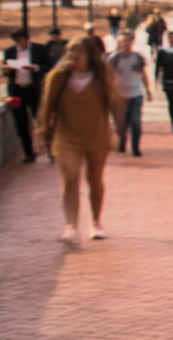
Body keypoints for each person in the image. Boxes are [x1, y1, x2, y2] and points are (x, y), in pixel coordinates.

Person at [36, 34, 120, 244]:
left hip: (97, 136)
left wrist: (117, 132)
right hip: (66, 137)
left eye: (79, 52)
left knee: (94, 179)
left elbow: (115, 103)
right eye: (71, 51)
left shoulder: (101, 78)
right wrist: (43, 131)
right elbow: (47, 107)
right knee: (71, 177)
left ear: (90, 56)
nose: (74, 55)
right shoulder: (58, 77)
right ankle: (71, 226)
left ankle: (95, 222)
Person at [107, 32, 151, 157]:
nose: (125, 44)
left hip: (135, 93)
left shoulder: (137, 57)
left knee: (135, 121)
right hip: (119, 96)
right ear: (119, 43)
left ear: (132, 42)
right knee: (121, 122)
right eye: (123, 41)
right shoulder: (114, 58)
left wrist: (148, 90)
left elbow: (143, 74)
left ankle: (135, 147)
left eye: (128, 40)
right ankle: (121, 140)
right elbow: (108, 77)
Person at [7, 28, 45, 163]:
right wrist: (7, 70)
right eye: (16, 41)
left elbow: (48, 65)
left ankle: (50, 150)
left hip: (34, 90)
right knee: (21, 124)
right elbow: (8, 72)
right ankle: (28, 152)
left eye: (20, 40)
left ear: (26, 38)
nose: (18, 43)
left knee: (41, 120)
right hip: (18, 91)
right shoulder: (10, 51)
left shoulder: (39, 49)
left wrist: (34, 68)